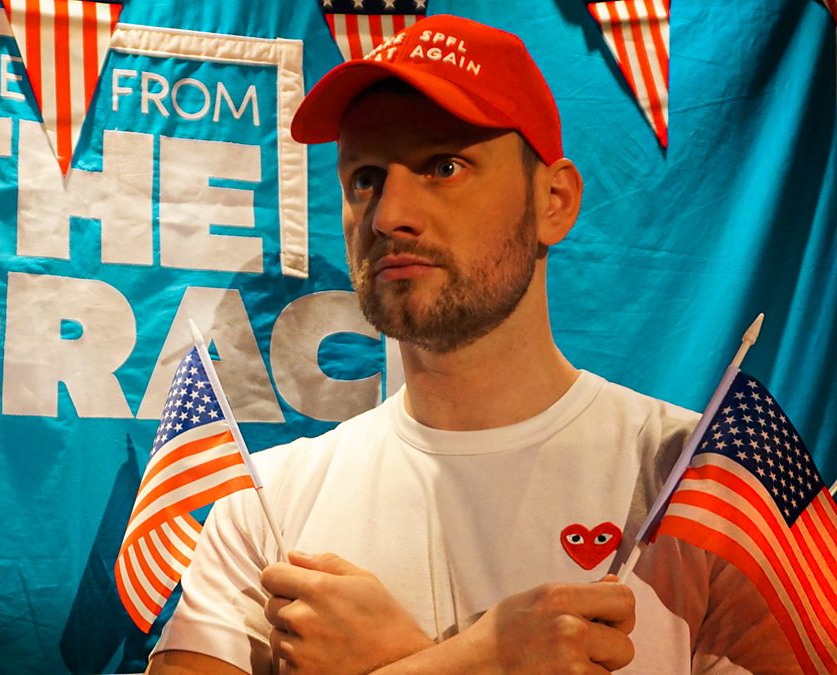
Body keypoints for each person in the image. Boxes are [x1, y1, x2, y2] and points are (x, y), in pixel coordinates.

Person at [146, 14, 796, 675]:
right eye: (365, 178)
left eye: (444, 166)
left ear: (554, 201)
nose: (389, 215)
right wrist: (482, 657)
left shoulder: (704, 484)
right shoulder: (264, 503)